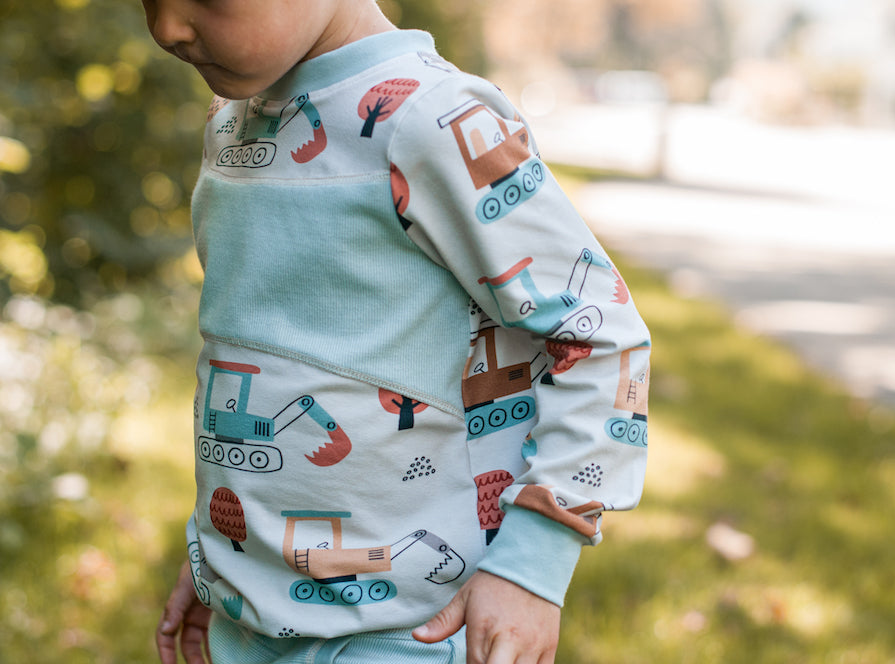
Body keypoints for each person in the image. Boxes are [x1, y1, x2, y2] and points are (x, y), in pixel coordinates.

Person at [143, 1, 651, 663]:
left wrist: (533, 563)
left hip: (408, 627)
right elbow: (254, 367)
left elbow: (602, 337)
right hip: (250, 623)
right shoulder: (233, 124)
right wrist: (219, 552)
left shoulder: (433, 120)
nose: (167, 27)